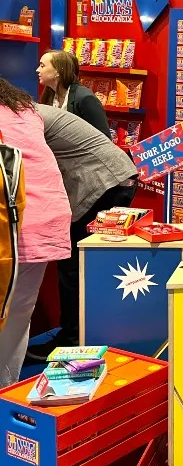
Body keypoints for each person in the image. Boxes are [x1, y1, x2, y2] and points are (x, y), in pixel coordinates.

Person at [25, 104, 137, 359]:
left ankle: (72, 341)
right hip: (114, 176)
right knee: (85, 263)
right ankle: (87, 334)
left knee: (73, 264)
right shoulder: (30, 110)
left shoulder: (23, 117)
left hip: (102, 181)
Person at [0, 79, 71, 386]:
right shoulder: (26, 110)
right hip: (46, 218)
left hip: (14, 223)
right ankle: (6, 388)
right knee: (19, 313)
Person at [37, 50, 109, 137]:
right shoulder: (49, 95)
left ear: (58, 71)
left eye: (42, 66)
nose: (37, 70)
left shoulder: (85, 98)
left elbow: (104, 138)